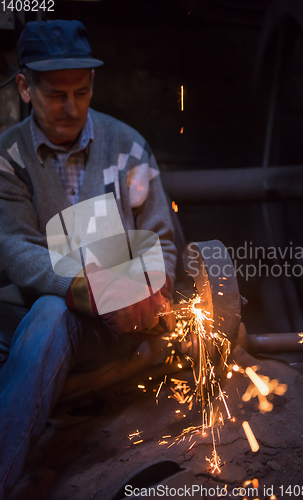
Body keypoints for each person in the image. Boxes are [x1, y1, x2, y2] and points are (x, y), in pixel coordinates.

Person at [0, 19, 176, 498]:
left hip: (112, 331)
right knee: (51, 310)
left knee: (61, 311)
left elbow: (162, 239)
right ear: (25, 87)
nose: (71, 107)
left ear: (93, 83)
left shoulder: (128, 147)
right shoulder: (8, 157)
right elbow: (16, 250)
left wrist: (149, 290)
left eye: (81, 91)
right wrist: (86, 288)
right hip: (30, 321)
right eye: (57, 95)